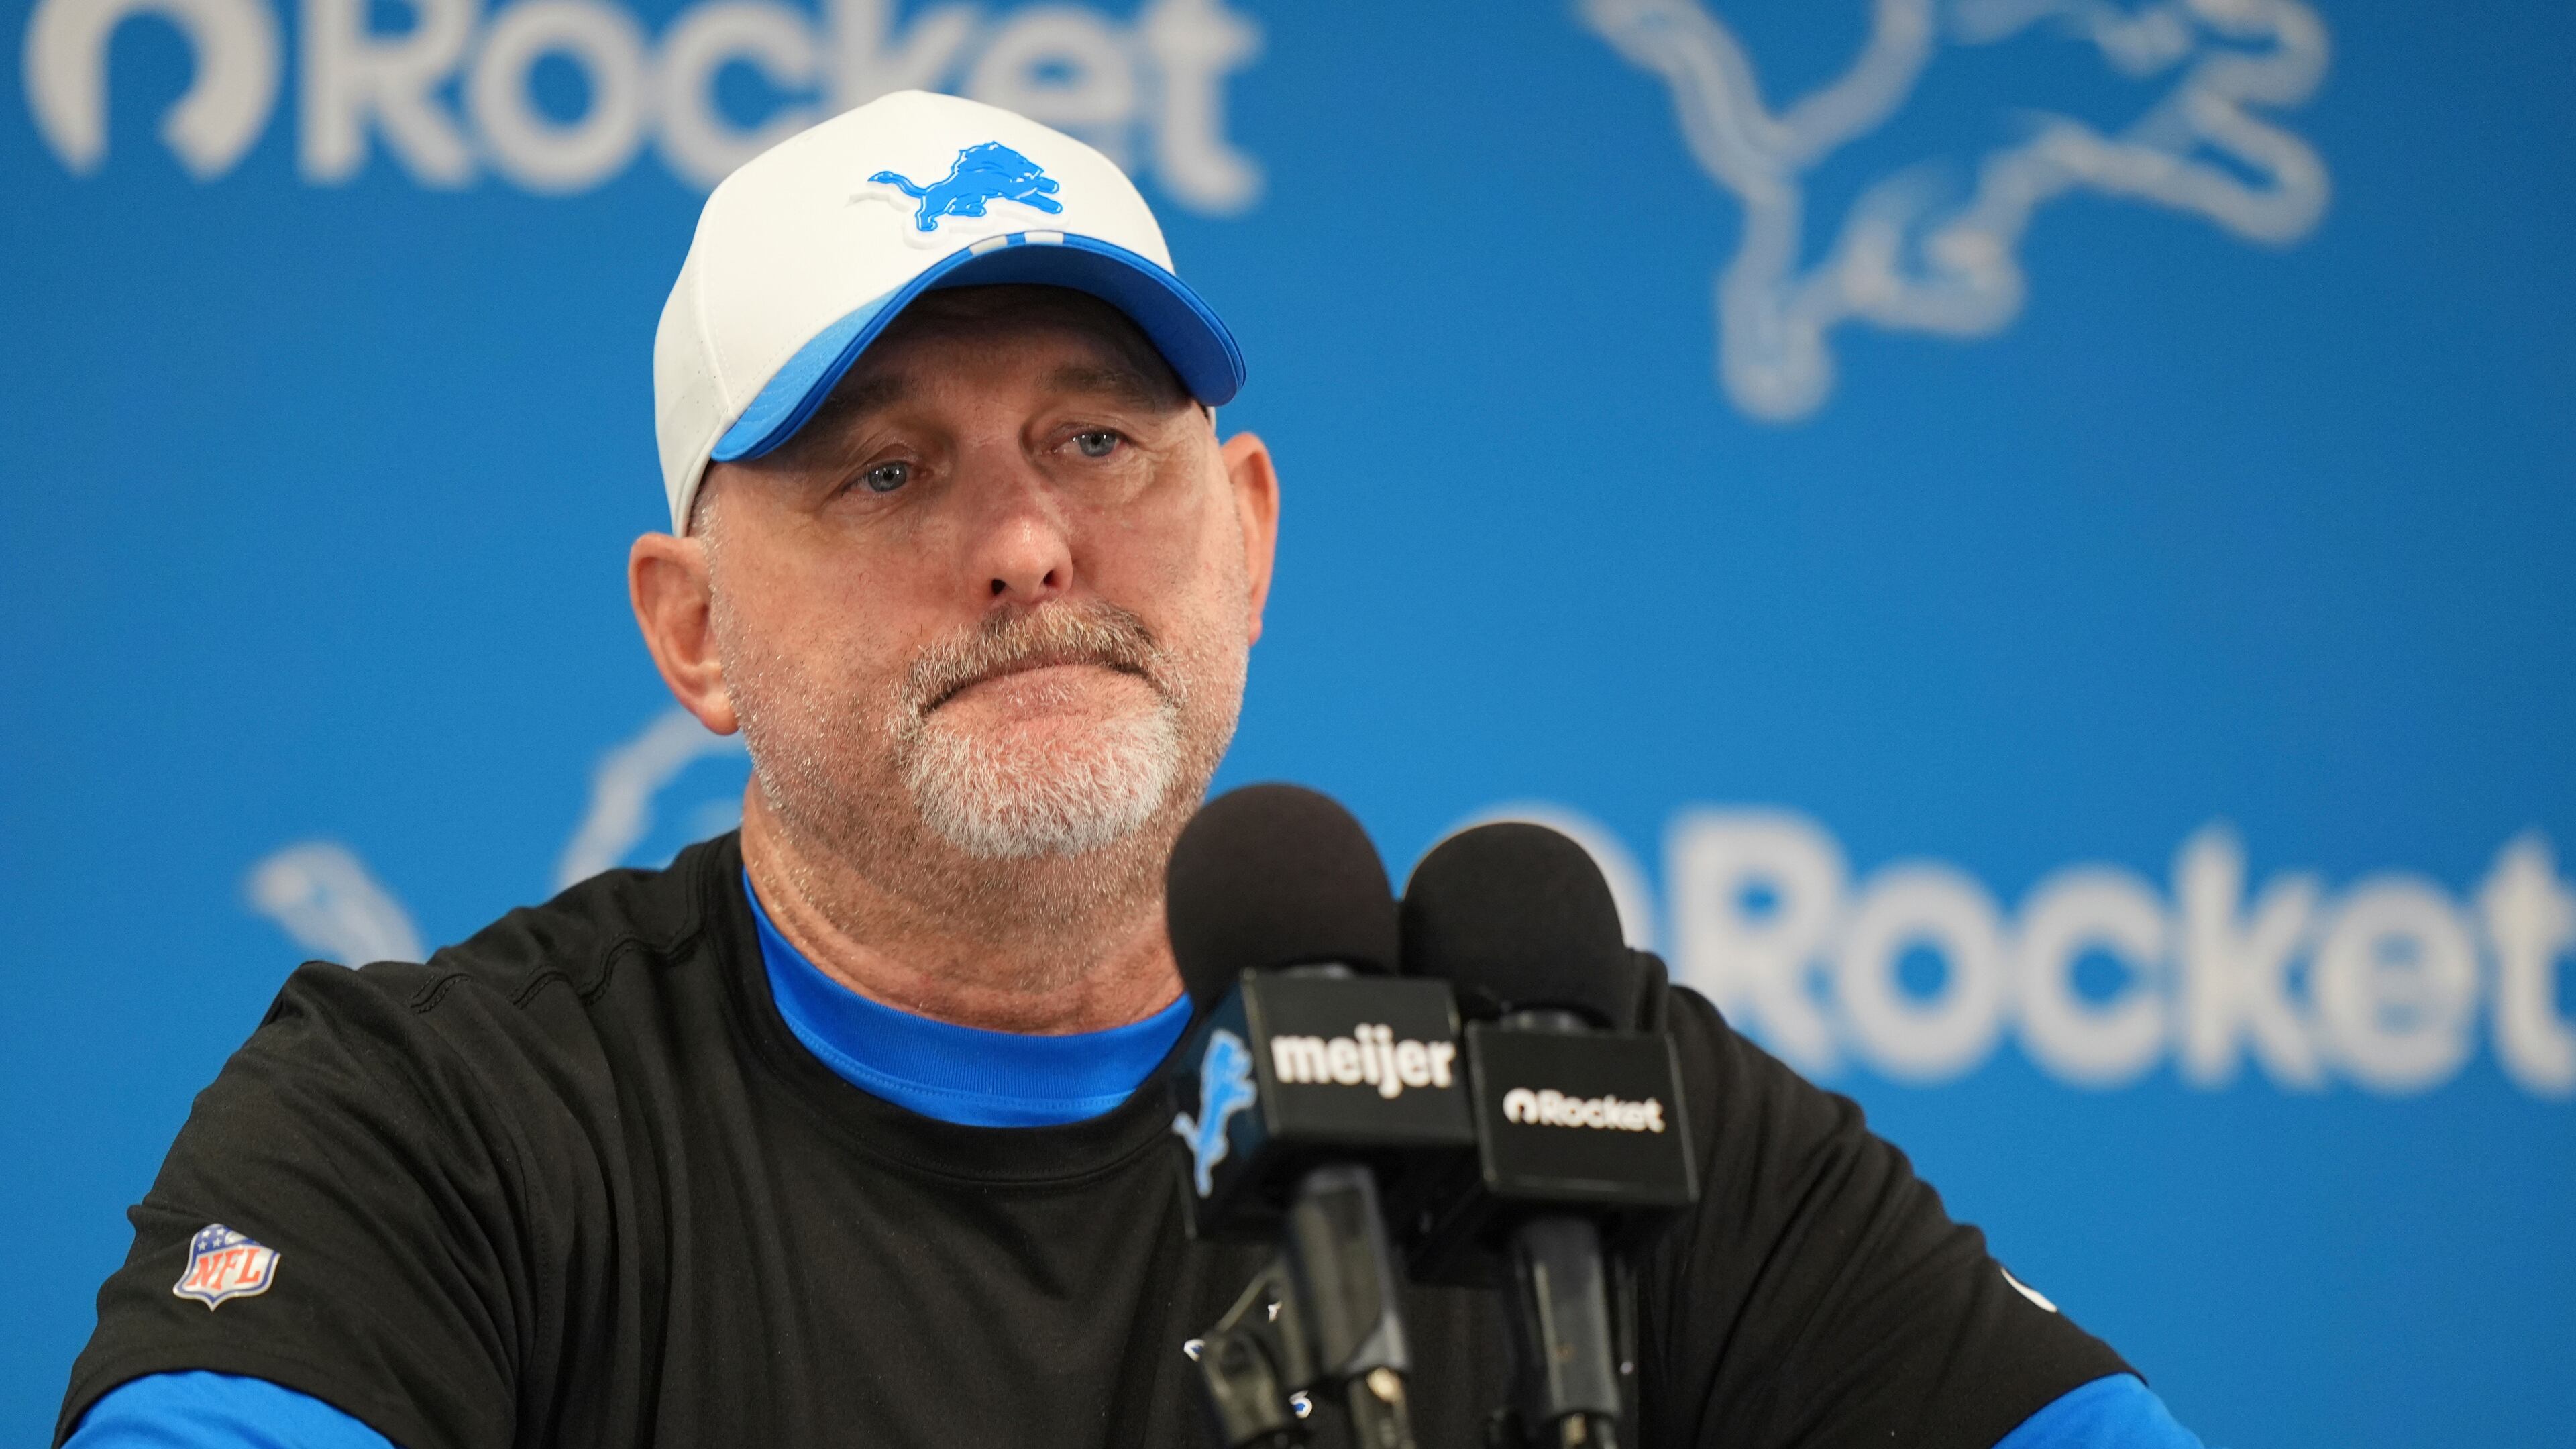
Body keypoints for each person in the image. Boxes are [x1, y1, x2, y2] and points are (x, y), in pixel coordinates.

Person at [57, 91, 2206, 1449]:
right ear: (692, 631)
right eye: (887, 467)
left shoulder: (1574, 1094)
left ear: (1247, 532)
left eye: (1097, 440)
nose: (1023, 541)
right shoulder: (443, 1117)